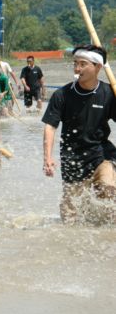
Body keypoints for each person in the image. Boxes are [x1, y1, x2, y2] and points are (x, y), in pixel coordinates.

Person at [42, 45, 116, 223]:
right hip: (72, 158)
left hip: (101, 154)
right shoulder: (62, 95)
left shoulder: (109, 94)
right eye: (75, 63)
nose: (77, 68)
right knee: (70, 217)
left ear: (97, 67)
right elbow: (50, 127)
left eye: (83, 64)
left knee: (109, 190)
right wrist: (48, 158)